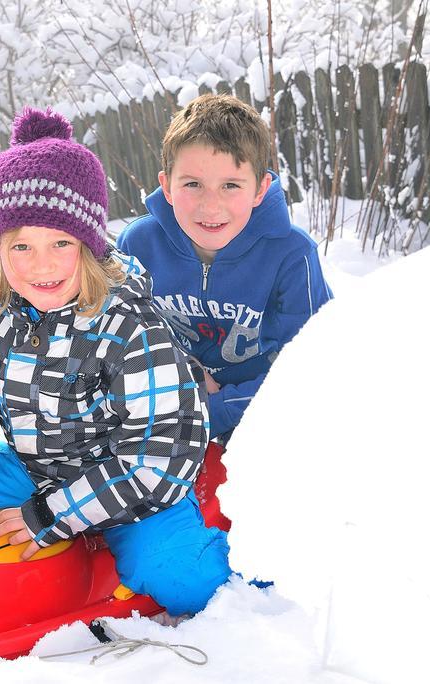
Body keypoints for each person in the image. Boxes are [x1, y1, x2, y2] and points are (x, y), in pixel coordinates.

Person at [0, 107, 230, 617]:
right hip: (36, 470)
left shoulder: (129, 324)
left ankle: (213, 548)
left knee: (183, 579)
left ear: (90, 246)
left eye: (61, 243)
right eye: (21, 246)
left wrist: (53, 515)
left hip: (130, 487)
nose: (42, 264)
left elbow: (157, 460)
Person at [117, 93, 333, 444]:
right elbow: (121, 338)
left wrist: (218, 410)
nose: (210, 205)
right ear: (166, 186)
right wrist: (185, 372)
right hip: (172, 412)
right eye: (192, 184)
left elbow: (314, 365)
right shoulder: (138, 245)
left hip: (266, 413)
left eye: (230, 185)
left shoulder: (292, 254)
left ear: (260, 189)